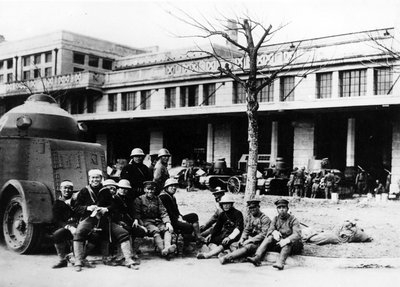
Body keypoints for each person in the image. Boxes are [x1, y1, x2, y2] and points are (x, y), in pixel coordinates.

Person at [247, 199, 303, 270]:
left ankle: (280, 263)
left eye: (284, 207)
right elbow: (270, 229)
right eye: (279, 208)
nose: (281, 210)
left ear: (287, 209)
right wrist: (274, 232)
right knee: (269, 237)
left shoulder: (293, 219)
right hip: (280, 243)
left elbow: (297, 234)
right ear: (277, 209)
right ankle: (257, 257)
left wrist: (287, 240)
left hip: (293, 245)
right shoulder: (276, 219)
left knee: (288, 243)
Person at [218, 198, 271, 265]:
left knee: (248, 247)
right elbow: (246, 230)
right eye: (250, 208)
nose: (252, 210)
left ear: (258, 207)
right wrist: (242, 239)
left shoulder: (264, 219)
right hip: (251, 240)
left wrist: (250, 240)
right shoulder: (250, 218)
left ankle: (226, 258)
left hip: (260, 243)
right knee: (234, 244)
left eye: (254, 207)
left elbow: (263, 235)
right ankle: (241, 257)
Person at [159, 178, 205, 251]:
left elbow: (176, 211)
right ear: (166, 187)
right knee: (188, 227)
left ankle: (198, 236)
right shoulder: (163, 197)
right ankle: (186, 245)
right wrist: (180, 220)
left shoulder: (172, 196)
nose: (174, 188)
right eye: (171, 186)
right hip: (169, 221)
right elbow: (167, 213)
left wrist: (180, 216)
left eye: (175, 186)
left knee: (193, 216)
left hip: (175, 217)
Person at [133, 181, 176, 259]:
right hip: (146, 222)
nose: (150, 191)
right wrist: (138, 222)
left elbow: (163, 212)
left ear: (154, 190)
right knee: (155, 230)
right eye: (148, 189)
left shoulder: (157, 199)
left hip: (157, 221)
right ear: (144, 190)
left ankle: (167, 247)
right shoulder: (139, 199)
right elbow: (137, 213)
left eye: (152, 189)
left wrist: (167, 223)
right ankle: (162, 250)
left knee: (167, 229)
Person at [196, 194, 244, 259]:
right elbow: (217, 227)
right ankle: (220, 252)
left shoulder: (238, 213)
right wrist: (211, 235)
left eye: (228, 204)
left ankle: (207, 255)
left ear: (231, 204)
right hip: (224, 234)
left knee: (224, 243)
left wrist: (229, 237)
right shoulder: (222, 214)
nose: (226, 206)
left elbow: (239, 228)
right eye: (224, 204)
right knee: (210, 241)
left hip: (234, 235)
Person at [51, 180, 78, 268]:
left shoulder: (76, 201)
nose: (67, 190)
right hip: (67, 226)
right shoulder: (57, 203)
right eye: (65, 188)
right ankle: (62, 260)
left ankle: (80, 258)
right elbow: (57, 220)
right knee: (57, 235)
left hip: (78, 224)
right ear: (61, 189)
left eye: (70, 188)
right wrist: (69, 227)